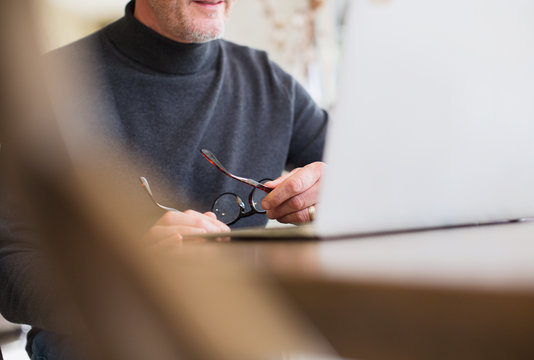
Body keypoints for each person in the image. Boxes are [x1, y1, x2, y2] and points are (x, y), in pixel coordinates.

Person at [0, 0, 328, 358]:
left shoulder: (269, 84)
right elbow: (9, 269)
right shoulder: (50, 87)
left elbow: (364, 178)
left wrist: (326, 189)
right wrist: (126, 276)